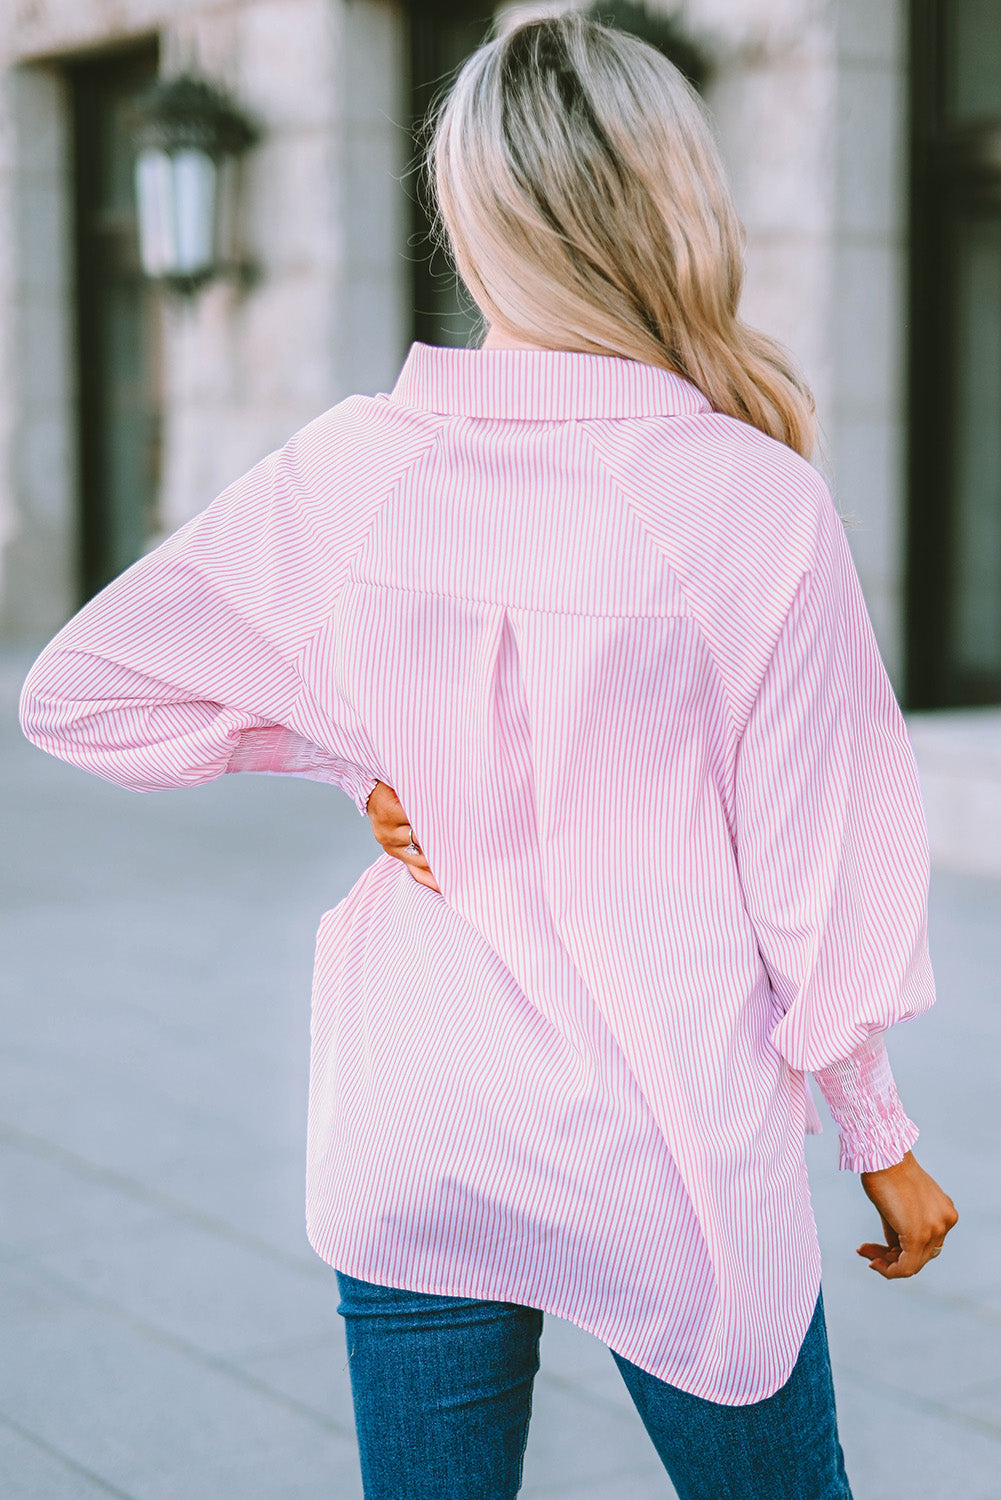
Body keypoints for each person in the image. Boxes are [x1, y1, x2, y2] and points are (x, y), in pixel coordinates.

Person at [19, 14, 957, 1499]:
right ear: (673, 207)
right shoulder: (755, 502)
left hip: (420, 1115)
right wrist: (878, 1137)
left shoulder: (350, 466)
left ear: (470, 222)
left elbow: (81, 694)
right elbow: (812, 876)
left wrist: (352, 759)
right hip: (666, 1151)